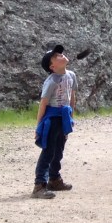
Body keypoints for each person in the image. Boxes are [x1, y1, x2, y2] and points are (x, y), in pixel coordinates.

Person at [33, 44, 78, 199]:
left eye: (61, 53)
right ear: (52, 66)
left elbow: (72, 97)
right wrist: (39, 126)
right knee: (48, 150)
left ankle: (54, 179)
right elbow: (43, 103)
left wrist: (71, 117)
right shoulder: (51, 81)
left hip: (64, 117)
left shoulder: (71, 76)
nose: (61, 55)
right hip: (52, 118)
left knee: (59, 149)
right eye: (56, 56)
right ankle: (39, 185)